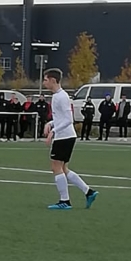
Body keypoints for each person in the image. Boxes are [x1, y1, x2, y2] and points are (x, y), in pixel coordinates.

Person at [43, 69, 98, 211]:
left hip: (64, 137)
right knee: (63, 168)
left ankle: (65, 201)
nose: (44, 82)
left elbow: (69, 120)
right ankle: (88, 192)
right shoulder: (57, 96)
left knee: (56, 167)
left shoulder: (62, 97)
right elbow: (61, 118)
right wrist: (50, 123)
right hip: (65, 136)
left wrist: (54, 131)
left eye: (46, 80)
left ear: (53, 80)